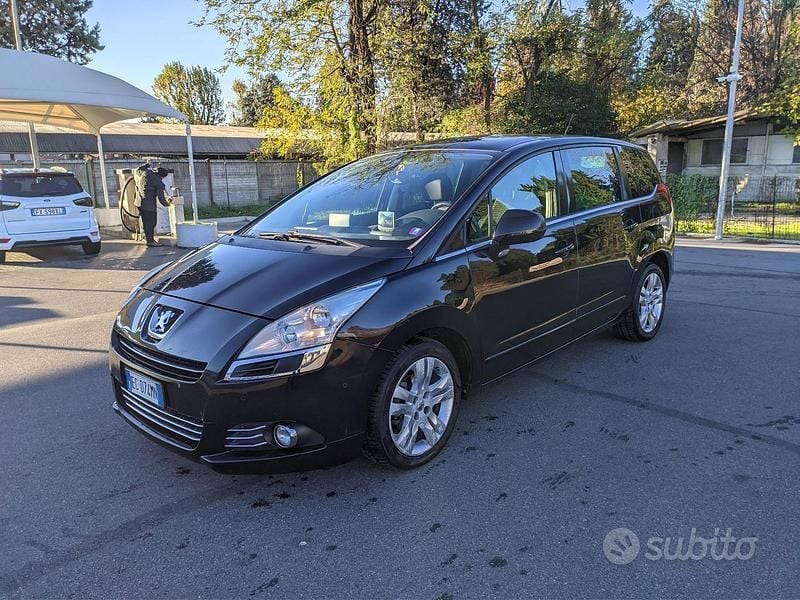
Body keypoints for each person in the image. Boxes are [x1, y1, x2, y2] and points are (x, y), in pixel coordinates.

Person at [134, 164, 171, 247]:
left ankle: (148, 239)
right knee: (151, 223)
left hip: (139, 202)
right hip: (149, 205)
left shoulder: (145, 173)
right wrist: (168, 204)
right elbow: (161, 198)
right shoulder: (158, 182)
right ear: (162, 176)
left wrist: (147, 165)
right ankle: (150, 241)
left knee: (145, 222)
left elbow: (138, 169)